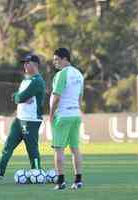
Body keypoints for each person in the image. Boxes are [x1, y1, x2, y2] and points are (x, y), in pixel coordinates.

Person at [0, 54, 46, 178]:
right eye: (24, 63)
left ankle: (37, 171)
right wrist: (18, 97)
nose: (24, 65)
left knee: (32, 148)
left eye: (27, 63)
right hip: (20, 119)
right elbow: (17, 97)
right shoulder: (26, 80)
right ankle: (0, 168)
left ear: (35, 65)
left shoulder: (37, 81)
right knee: (8, 145)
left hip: (31, 121)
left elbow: (21, 97)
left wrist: (19, 97)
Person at [49, 48, 84, 190]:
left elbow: (56, 96)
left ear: (65, 59)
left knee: (59, 149)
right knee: (75, 148)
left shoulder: (61, 74)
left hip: (63, 116)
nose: (54, 62)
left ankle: (61, 181)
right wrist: (77, 109)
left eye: (56, 59)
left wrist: (51, 114)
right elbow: (80, 97)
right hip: (76, 115)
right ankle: (78, 180)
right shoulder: (79, 74)